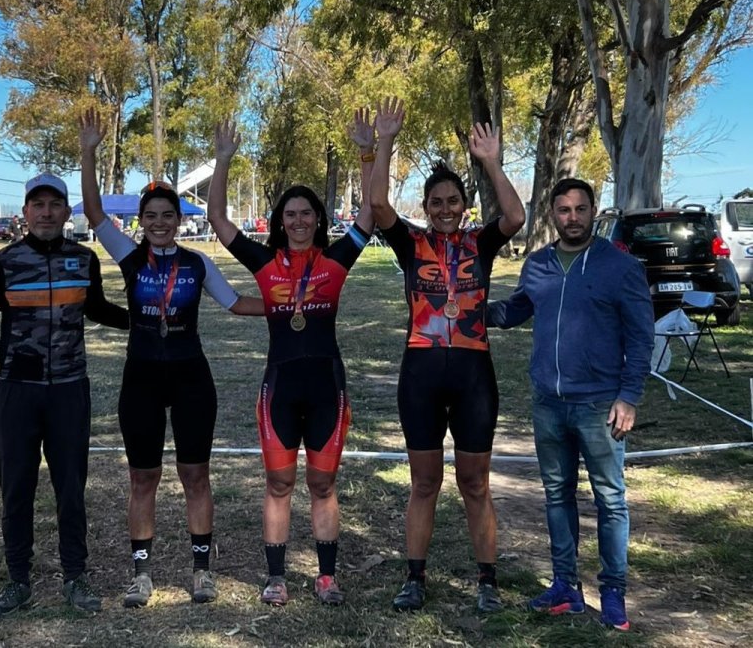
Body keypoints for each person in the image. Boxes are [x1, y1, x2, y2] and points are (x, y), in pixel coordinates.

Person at [78, 111, 264, 609]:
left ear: (180, 221)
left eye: (168, 216)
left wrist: (290, 305)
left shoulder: (197, 263)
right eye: (152, 216)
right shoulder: (129, 256)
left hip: (190, 379)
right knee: (143, 478)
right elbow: (93, 210)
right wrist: (90, 151)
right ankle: (141, 576)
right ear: (141, 222)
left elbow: (236, 303)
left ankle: (201, 572)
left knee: (195, 475)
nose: (160, 223)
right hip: (140, 379)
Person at [208, 109, 376, 608]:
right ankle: (276, 578)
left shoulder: (336, 260)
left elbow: (371, 212)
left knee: (323, 484)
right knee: (279, 482)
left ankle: (326, 577)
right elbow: (218, 221)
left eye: (306, 214)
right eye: (290, 214)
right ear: (280, 222)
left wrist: (368, 153)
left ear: (318, 220)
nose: (299, 221)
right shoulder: (265, 263)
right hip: (279, 387)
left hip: (327, 385)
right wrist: (222, 160)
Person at [369, 97, 526, 614]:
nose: (444, 209)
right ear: (426, 206)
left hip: (474, 375)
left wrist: (491, 162)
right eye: (435, 202)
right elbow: (378, 205)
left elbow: (516, 216)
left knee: (475, 483)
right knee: (424, 483)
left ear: (464, 204)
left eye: (452, 201)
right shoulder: (410, 244)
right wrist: (385, 142)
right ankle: (415, 578)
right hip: (421, 374)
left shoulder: (481, 243)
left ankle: (487, 581)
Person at [486, 178, 654, 632]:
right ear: (552, 215)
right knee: (557, 495)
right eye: (564, 210)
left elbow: (641, 337)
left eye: (581, 209)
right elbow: (517, 309)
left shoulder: (620, 267)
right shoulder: (538, 265)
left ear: (593, 212)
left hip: (601, 405)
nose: (572, 217)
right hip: (548, 403)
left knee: (610, 500)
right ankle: (566, 586)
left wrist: (629, 397)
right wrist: (472, 307)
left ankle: (613, 592)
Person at [0, 172, 129, 618]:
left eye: (54, 205)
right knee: (16, 490)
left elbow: (96, 308)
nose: (46, 213)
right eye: (37, 205)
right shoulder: (2, 262)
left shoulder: (84, 259)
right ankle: (18, 580)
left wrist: (146, 319)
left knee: (70, 489)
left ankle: (75, 576)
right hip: (16, 393)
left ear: (65, 211)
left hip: (69, 391)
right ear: (25, 212)